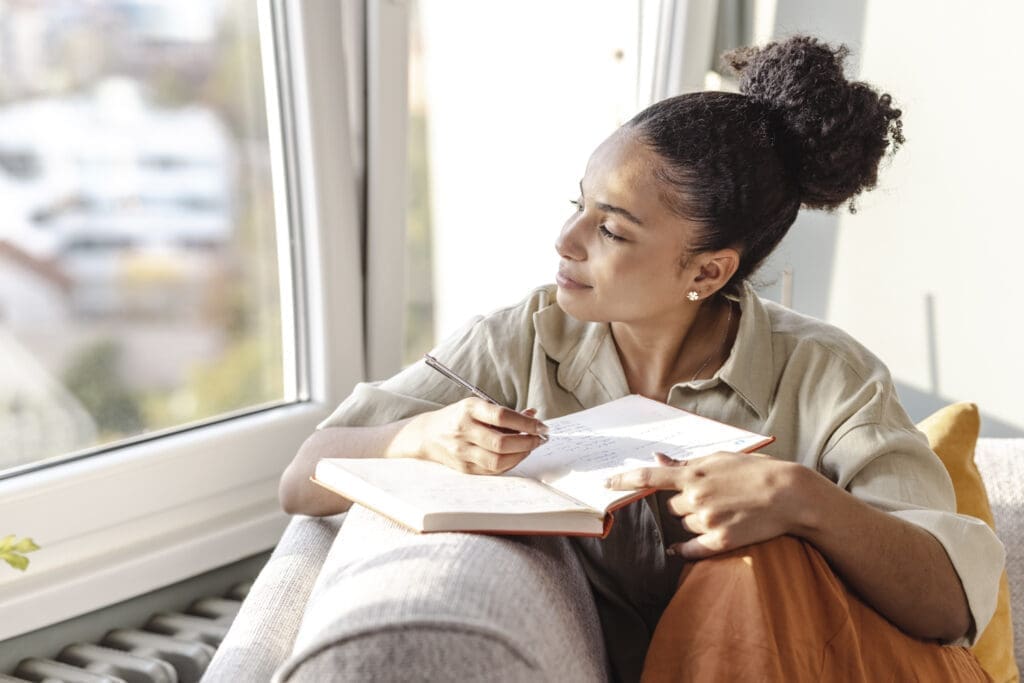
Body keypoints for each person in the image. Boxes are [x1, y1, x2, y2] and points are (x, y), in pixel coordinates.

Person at [278, 35, 1004, 681]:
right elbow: (302, 475)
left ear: (707, 273)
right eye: (579, 203)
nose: (567, 240)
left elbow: (947, 601)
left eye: (612, 230)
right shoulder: (523, 339)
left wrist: (803, 501)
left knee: (758, 563)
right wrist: (415, 438)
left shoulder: (825, 374)